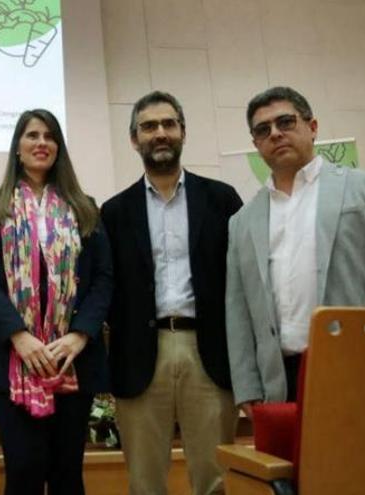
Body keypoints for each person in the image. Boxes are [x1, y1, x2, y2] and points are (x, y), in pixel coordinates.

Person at [226, 86, 365, 413]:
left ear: (313, 126)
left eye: (285, 122)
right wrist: (248, 386)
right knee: (297, 467)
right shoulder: (242, 222)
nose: (275, 134)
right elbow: (237, 311)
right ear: (256, 145)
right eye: (263, 130)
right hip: (282, 382)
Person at [100, 91, 243, 495]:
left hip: (209, 354)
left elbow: (242, 280)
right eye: (149, 126)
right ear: (134, 140)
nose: (160, 133)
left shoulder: (222, 199)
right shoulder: (113, 212)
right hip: (141, 355)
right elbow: (105, 288)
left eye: (168, 124)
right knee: (144, 482)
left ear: (182, 132)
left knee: (214, 479)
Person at [0, 109, 113, 495]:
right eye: (32, 135)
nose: (41, 143)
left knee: (67, 472)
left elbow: (103, 278)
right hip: (12, 356)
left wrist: (79, 336)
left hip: (72, 360)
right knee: (25, 469)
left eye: (50, 136)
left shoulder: (84, 206)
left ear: (59, 148)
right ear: (18, 147)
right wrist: (19, 336)